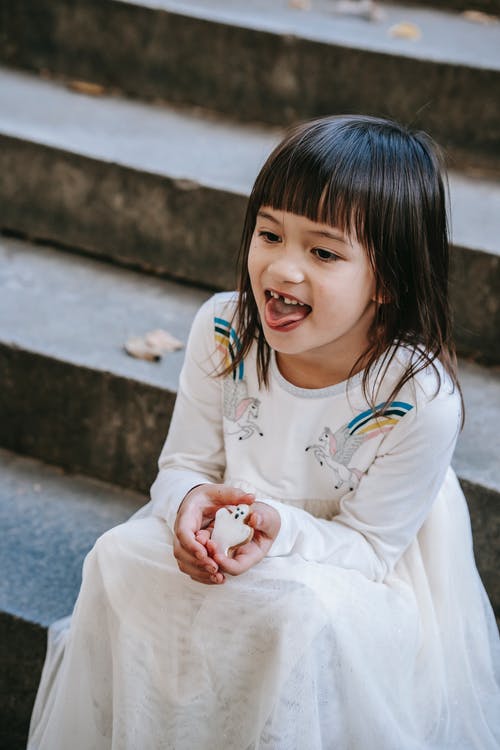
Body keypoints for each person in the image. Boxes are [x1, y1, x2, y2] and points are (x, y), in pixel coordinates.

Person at [28, 115, 500, 749]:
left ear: (387, 279)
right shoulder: (224, 330)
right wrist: (185, 508)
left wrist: (279, 532)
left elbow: (368, 549)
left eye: (323, 251)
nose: (283, 269)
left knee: (293, 609)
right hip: (231, 535)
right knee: (118, 555)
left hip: (346, 571)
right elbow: (185, 465)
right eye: (269, 234)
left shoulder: (416, 397)